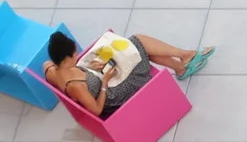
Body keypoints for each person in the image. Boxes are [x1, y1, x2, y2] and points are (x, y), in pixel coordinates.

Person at [43, 31, 208, 117]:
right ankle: (183, 58)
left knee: (137, 48)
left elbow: (48, 65)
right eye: (74, 54)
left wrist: (91, 68)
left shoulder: (52, 70)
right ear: (66, 58)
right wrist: (105, 82)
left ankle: (181, 64)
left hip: (104, 79)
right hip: (114, 96)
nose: (77, 54)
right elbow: (97, 110)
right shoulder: (75, 86)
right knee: (138, 43)